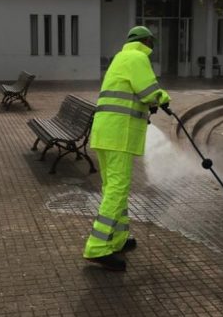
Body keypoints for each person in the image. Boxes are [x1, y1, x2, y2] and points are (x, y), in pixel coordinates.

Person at [83, 25, 171, 271]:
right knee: (117, 190)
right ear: (147, 42)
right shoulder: (138, 57)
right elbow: (149, 92)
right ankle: (98, 248)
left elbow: (131, 94)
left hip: (105, 133)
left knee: (114, 188)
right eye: (152, 43)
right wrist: (163, 98)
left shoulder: (121, 57)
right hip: (118, 136)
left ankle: (117, 239)